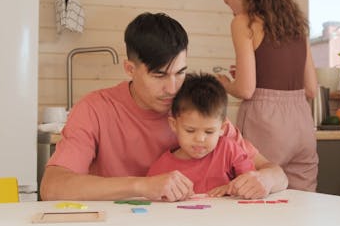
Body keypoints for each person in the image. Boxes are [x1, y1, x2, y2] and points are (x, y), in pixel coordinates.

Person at [40, 12, 288, 202]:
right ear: (130, 69)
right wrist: (141, 186)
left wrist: (263, 180)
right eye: (159, 76)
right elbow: (52, 186)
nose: (173, 88)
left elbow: (276, 173)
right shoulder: (95, 108)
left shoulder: (196, 106)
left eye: (180, 72)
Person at [215, 0, 319, 191]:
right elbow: (311, 89)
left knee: (256, 196)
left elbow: (246, 90)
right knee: (304, 203)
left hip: (266, 123)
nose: (230, 8)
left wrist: (226, 84)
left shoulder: (243, 22)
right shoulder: (296, 26)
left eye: (226, 0)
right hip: (302, 123)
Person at [147, 72, 256, 197]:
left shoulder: (229, 150)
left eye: (209, 132)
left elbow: (251, 181)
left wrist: (232, 188)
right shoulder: (161, 169)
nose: (200, 139)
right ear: (174, 125)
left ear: (222, 128)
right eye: (190, 130)